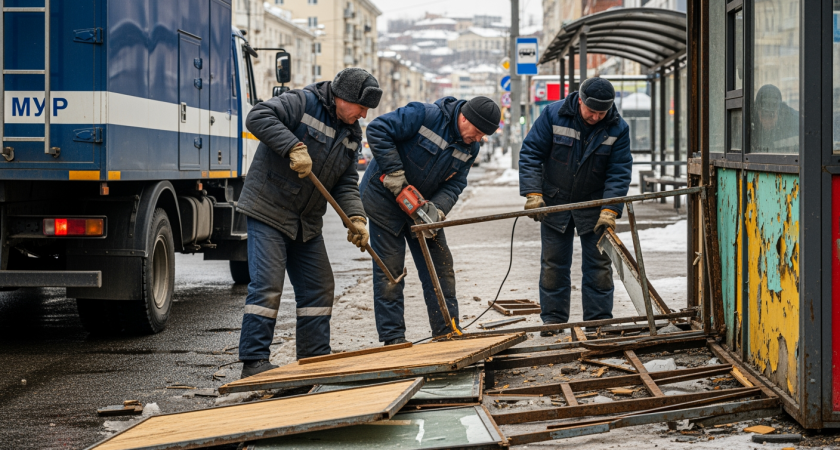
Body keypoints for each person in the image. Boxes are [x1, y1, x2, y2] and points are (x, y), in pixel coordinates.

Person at [235, 68, 381, 377]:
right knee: (268, 285)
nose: (364, 114)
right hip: (269, 209)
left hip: (306, 221)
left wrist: (356, 217)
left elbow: (345, 181)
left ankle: (314, 359)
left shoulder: (352, 134)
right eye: (361, 107)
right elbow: (258, 116)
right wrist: (292, 146)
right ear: (343, 98)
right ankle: (254, 362)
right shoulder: (302, 102)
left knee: (319, 287)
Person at [360, 96, 501, 345]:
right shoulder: (424, 115)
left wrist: (437, 209)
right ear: (464, 117)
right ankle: (394, 339)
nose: (478, 139)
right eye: (477, 132)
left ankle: (446, 330)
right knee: (391, 272)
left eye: (483, 135)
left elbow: (456, 183)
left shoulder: (471, 148)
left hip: (420, 208)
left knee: (440, 267)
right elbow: (378, 129)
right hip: (383, 201)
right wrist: (393, 171)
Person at [518, 77, 632, 335]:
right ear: (579, 100)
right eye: (591, 110)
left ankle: (597, 321)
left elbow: (619, 172)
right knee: (553, 263)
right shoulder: (552, 114)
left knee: (599, 265)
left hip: (594, 205)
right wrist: (533, 193)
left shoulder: (618, 128)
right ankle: (554, 320)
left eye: (601, 112)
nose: (595, 117)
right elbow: (531, 153)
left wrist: (610, 209)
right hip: (554, 202)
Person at [752, 84, 799, 153]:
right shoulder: (750, 128)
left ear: (778, 112)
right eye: (765, 116)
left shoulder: (792, 125)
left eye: (771, 116)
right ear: (758, 112)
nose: (768, 121)